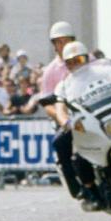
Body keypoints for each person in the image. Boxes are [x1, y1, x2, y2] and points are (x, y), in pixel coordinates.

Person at [51, 40, 102, 210]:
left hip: (107, 117)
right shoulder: (65, 85)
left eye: (78, 60)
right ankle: (88, 190)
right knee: (73, 151)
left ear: (86, 59)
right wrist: (65, 121)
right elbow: (60, 107)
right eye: (71, 62)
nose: (75, 65)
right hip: (85, 124)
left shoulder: (102, 73)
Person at [41, 21, 88, 202]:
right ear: (54, 46)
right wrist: (63, 119)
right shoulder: (50, 71)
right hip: (69, 119)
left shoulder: (87, 58)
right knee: (60, 143)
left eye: (66, 41)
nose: (63, 46)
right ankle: (78, 188)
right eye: (58, 42)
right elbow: (47, 103)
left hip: (93, 112)